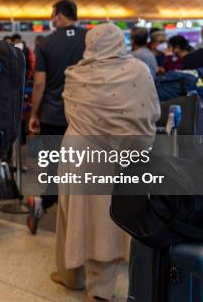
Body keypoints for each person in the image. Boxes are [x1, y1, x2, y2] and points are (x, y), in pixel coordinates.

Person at [54, 23, 160, 301]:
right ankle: (100, 291)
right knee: (108, 221)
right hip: (122, 156)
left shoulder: (76, 74)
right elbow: (152, 113)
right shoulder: (138, 71)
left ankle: (70, 275)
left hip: (79, 151)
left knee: (73, 213)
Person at [27, 0, 86, 234]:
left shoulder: (45, 43)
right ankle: (78, 215)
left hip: (53, 114)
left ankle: (45, 201)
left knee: (53, 163)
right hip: (84, 114)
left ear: (58, 15)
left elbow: (39, 83)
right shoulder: (89, 39)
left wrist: (34, 114)